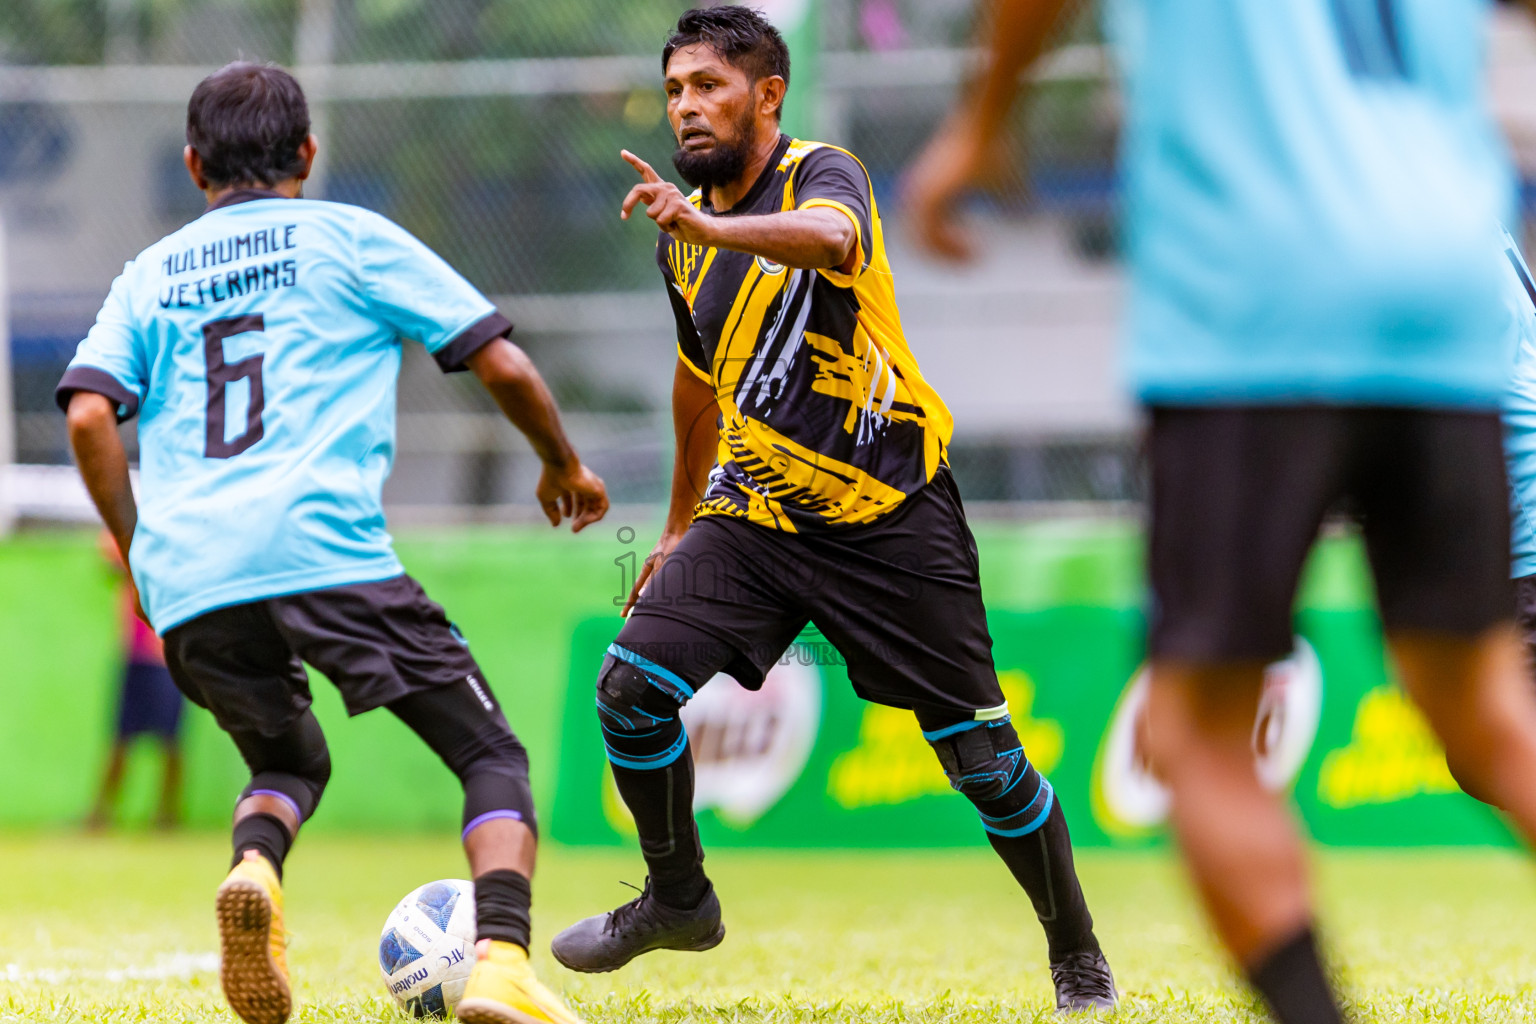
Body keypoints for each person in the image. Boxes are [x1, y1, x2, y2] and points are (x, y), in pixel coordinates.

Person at [905, 2, 1536, 1023]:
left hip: (1258, 290)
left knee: (1193, 729)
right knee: (1488, 711)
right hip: (1447, 289)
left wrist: (984, 118)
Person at [548, 7, 1116, 1012]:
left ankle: (1076, 955)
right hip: (756, 517)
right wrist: (679, 525)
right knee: (629, 689)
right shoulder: (679, 237)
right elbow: (695, 386)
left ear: (767, 94)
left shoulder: (821, 172)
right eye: (677, 89)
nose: (688, 106)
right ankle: (679, 900)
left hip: (892, 509)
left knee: (982, 758)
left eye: (709, 87)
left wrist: (714, 225)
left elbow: (834, 240)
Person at [58, 61, 607, 1024]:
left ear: (194, 166)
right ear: (309, 154)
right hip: (325, 553)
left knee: (286, 766)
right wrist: (562, 463)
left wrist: (141, 551)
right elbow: (502, 360)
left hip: (192, 577)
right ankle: (503, 965)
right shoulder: (350, 238)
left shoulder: (148, 274)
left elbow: (90, 416)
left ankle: (256, 873)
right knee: (491, 755)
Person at [86, 530, 186, 830]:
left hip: (166, 658)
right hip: (134, 656)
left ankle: (168, 816)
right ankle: (101, 814)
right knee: (120, 739)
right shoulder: (135, 542)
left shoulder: (177, 551)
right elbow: (107, 554)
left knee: (170, 741)